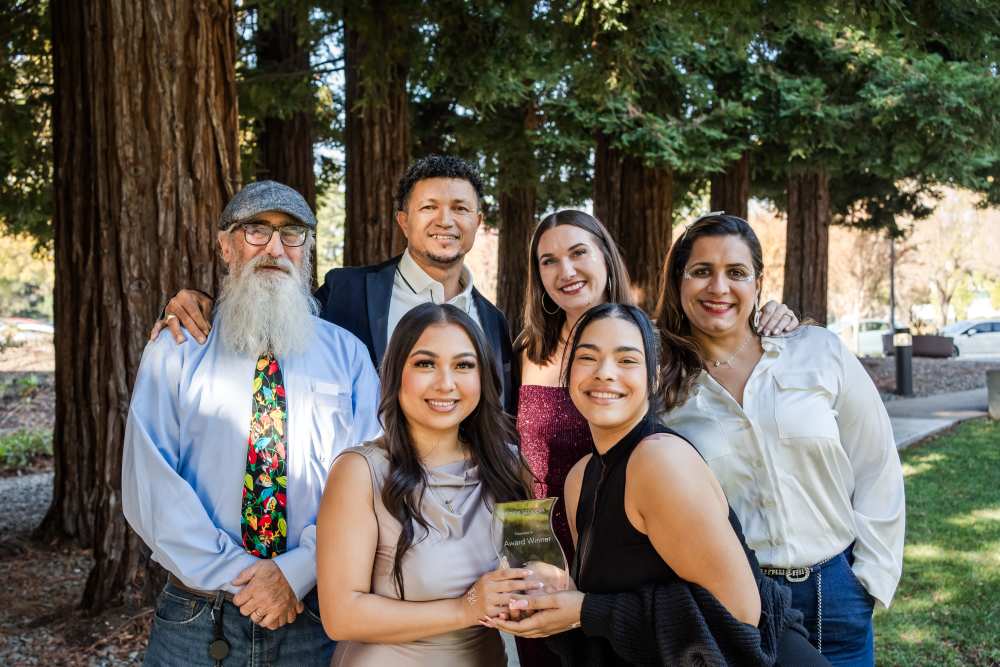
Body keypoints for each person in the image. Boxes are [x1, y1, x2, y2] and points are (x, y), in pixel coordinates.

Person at [122, 181, 381, 666]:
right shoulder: (178, 349)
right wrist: (246, 577)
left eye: (291, 233)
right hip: (199, 615)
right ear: (226, 246)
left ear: (307, 249)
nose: (274, 248)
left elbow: (369, 479)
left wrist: (296, 571)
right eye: (255, 231)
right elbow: (149, 482)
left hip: (316, 611)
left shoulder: (347, 355)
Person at [489, 304, 827, 666]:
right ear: (569, 373)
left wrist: (584, 610)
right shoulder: (579, 478)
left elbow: (739, 613)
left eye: (627, 360)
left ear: (652, 378)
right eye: (588, 357)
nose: (605, 373)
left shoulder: (659, 460)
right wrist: (553, 597)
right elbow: (608, 604)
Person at [654, 213, 905, 666]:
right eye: (701, 271)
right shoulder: (662, 387)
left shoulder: (816, 351)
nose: (719, 287)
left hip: (838, 591)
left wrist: (871, 576)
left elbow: (877, 463)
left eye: (736, 273)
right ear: (678, 280)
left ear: (758, 282)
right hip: (737, 599)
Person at [151, 155, 516, 413]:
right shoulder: (348, 291)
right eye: (429, 207)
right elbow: (269, 310)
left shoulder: (494, 323)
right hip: (367, 500)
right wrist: (198, 305)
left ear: (478, 220)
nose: (445, 221)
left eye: (461, 209)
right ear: (403, 221)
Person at [316, 303, 534, 666]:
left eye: (464, 365)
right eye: (425, 364)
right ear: (396, 373)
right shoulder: (360, 473)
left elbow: (531, 568)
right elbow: (341, 616)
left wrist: (538, 590)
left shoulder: (510, 466)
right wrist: (465, 609)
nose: (446, 383)